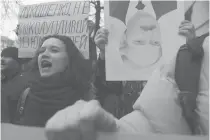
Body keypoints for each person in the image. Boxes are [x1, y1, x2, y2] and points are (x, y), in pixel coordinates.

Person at [45, 20, 208, 139]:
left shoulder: (180, 67)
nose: (147, 47)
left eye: (154, 42)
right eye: (138, 41)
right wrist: (106, 55)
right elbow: (104, 92)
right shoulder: (120, 68)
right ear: (125, 45)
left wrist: (187, 51)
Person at [15, 35, 94, 127]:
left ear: (69, 59)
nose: (44, 54)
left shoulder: (85, 96)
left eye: (54, 50)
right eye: (41, 51)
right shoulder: (26, 95)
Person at [1, 47, 35, 123]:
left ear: (18, 61)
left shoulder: (28, 82)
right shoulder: (3, 81)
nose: (2, 59)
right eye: (1, 56)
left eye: (7, 56)